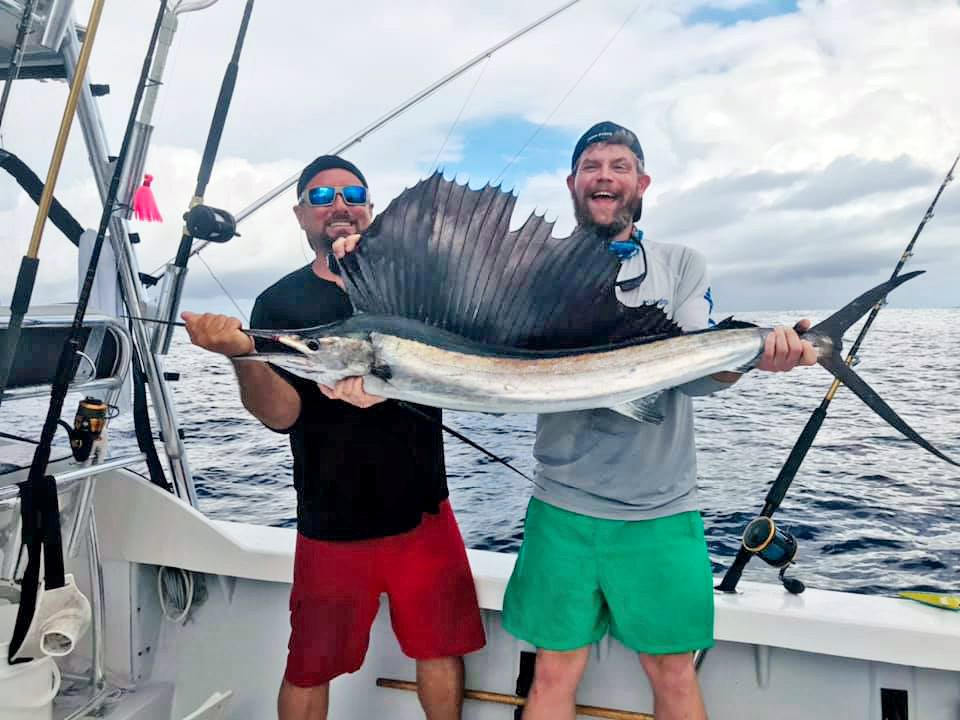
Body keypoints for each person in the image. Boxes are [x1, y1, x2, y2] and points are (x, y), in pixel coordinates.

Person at [500, 122, 817, 720]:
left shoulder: (680, 265)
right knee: (551, 673)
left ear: (641, 182)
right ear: (573, 183)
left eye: (619, 165)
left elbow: (698, 368)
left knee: (673, 673)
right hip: (561, 510)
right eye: (592, 165)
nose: (605, 176)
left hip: (661, 512)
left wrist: (752, 359)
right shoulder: (538, 275)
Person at [181, 155, 485, 720]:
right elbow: (280, 414)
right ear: (300, 214)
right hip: (332, 517)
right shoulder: (280, 303)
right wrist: (245, 355)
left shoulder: (416, 286)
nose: (339, 206)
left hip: (424, 511)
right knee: (309, 667)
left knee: (441, 650)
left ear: (370, 209)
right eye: (322, 197)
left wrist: (380, 267)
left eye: (353, 195)